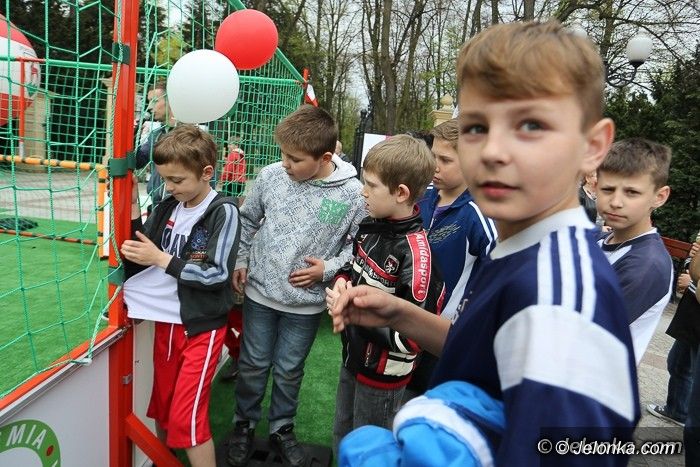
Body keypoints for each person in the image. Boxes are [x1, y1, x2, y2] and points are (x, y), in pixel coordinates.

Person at [330, 20, 639, 466]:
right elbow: (492, 353)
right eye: (476, 127)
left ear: (592, 146)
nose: (492, 151)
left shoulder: (560, 297)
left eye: (530, 125)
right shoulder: (524, 248)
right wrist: (401, 314)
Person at [227, 105, 366, 467]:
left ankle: (281, 427)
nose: (285, 163)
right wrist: (241, 260)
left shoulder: (352, 193)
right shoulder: (271, 176)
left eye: (295, 158)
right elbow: (247, 220)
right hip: (259, 293)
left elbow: (357, 246)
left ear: (325, 158)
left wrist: (327, 269)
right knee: (253, 363)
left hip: (305, 304)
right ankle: (243, 424)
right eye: (283, 154)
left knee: (289, 369)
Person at [121, 125, 240, 467]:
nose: (169, 187)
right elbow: (140, 251)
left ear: (207, 172)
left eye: (177, 180)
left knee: (187, 419)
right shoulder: (167, 206)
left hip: (201, 327)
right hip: (166, 324)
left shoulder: (223, 211)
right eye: (164, 179)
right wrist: (132, 208)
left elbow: (217, 274)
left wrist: (162, 259)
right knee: (163, 408)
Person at [326, 135, 443, 453]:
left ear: (401, 193)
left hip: (383, 375)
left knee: (371, 449)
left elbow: (415, 339)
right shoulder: (370, 224)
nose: (362, 191)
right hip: (352, 357)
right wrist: (342, 283)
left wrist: (355, 317)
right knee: (342, 435)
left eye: (371, 185)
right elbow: (352, 268)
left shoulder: (417, 255)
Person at [405, 118, 496, 400]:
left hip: (444, 337)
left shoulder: (480, 214)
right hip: (406, 324)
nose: (435, 166)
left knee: (428, 406)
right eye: (433, 156)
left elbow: (499, 277)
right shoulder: (422, 197)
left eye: (445, 160)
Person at [595, 138, 674, 364]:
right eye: (608, 189)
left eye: (631, 192)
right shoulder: (599, 239)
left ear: (659, 197)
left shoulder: (647, 265)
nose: (616, 202)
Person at [647, 237, 700, 426]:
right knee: (678, 363)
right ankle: (677, 410)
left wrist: (692, 282)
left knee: (688, 369)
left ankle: (686, 417)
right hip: (692, 311)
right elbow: (690, 264)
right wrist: (693, 261)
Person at [135, 80, 177, 210]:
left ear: (171, 100)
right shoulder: (156, 135)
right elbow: (138, 162)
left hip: (179, 206)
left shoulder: (190, 135)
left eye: (154, 101)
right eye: (149, 102)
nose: (149, 107)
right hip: (156, 206)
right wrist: (133, 138)